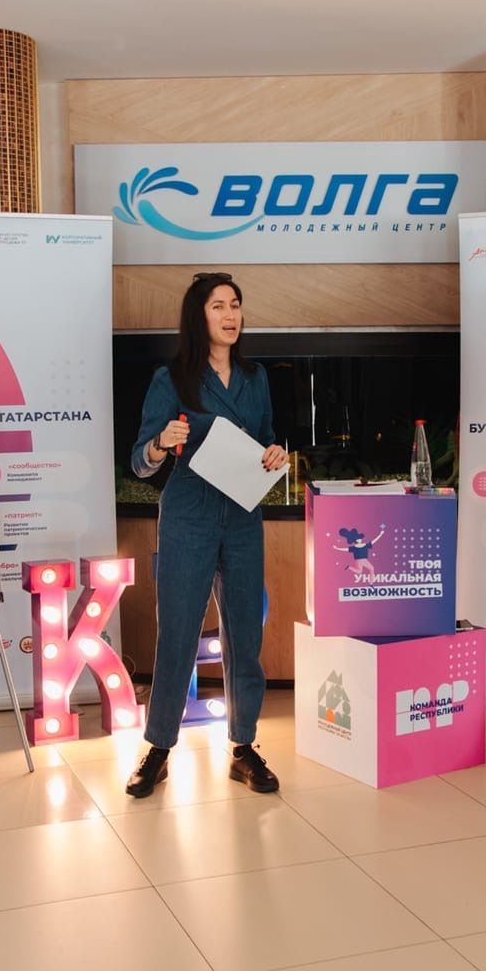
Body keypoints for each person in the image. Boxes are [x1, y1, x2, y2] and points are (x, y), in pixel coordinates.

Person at [125, 273, 286, 799]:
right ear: (199, 316)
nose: (230, 315)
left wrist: (274, 454)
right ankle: (158, 748)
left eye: (235, 305)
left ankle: (243, 747)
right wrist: (159, 443)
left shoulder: (255, 378)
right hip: (189, 515)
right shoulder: (171, 378)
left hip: (242, 514)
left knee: (245, 636)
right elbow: (140, 462)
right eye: (218, 306)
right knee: (177, 633)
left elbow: (265, 442)